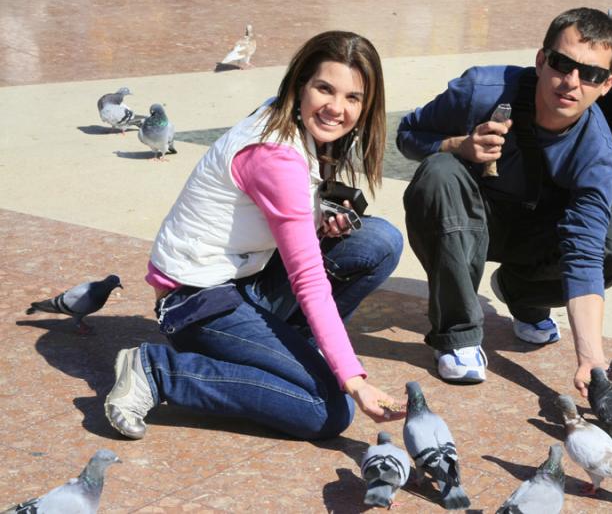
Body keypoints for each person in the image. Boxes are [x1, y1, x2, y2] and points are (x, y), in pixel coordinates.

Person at [104, 30, 405, 441]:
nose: (337, 108)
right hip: (195, 301)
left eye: (353, 98)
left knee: (378, 241)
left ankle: (286, 355)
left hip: (243, 279)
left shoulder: (286, 116)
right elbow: (308, 281)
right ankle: (158, 371)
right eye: (325, 89)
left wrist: (320, 217)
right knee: (329, 409)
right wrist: (354, 378)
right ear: (301, 85)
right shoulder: (275, 156)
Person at [397, 8, 612, 395]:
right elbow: (408, 135)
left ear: (607, 84)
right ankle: (457, 334)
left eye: (591, 74)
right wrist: (458, 145)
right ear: (542, 60)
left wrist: (591, 358)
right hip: (465, 221)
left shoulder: (598, 154)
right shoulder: (482, 90)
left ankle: (522, 294)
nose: (571, 82)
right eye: (563, 64)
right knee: (439, 173)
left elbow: (584, 253)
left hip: (536, 236)